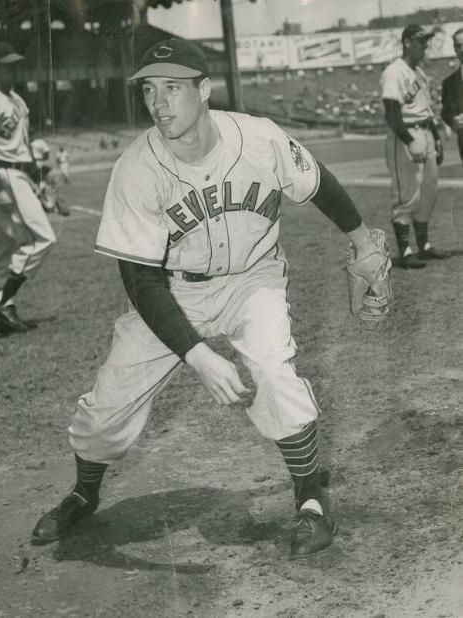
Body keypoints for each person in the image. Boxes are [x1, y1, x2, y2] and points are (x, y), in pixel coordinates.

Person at [32, 38, 387, 557]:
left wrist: (360, 240)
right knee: (106, 409)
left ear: (204, 89)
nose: (158, 103)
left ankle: (311, 498)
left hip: (253, 279)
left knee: (271, 370)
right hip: (174, 290)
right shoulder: (136, 168)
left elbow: (318, 184)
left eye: (173, 88)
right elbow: (139, 280)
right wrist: (197, 355)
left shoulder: (259, 137)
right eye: (150, 90)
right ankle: (83, 492)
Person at [0, 43, 56, 332]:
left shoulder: (17, 100)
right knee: (42, 239)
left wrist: (43, 185)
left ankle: (3, 314)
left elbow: (25, 149)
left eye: (15, 63)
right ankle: (3, 299)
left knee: (7, 246)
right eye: (6, 64)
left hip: (17, 174)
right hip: (1, 175)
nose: (13, 69)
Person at [380, 24, 450, 270]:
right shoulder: (393, 72)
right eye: (422, 42)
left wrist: (437, 139)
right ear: (408, 42)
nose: (425, 46)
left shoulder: (419, 73)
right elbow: (392, 116)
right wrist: (411, 142)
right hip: (405, 137)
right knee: (407, 194)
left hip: (426, 133)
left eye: (426, 42)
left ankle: (424, 246)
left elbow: (427, 112)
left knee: (428, 192)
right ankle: (406, 250)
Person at [441, 28, 463, 165]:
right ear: (455, 49)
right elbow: (446, 112)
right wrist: (453, 122)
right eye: (459, 46)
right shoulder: (449, 82)